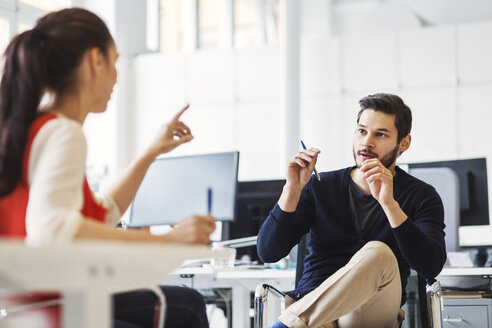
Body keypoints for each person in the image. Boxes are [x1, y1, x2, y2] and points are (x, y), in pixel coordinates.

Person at [0, 8, 215, 328]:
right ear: (94, 60)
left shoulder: (33, 129)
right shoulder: (64, 133)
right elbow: (54, 230)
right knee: (186, 308)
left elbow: (97, 214)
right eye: (114, 61)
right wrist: (167, 242)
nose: (117, 75)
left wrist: (150, 153)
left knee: (186, 304)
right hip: (56, 314)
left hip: (30, 310)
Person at [257, 93, 446, 328]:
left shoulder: (421, 196)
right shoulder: (320, 186)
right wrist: (292, 190)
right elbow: (268, 252)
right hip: (317, 314)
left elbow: (430, 266)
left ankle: (288, 325)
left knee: (379, 253)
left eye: (380, 134)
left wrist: (389, 204)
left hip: (371, 310)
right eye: (362, 131)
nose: (366, 143)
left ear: (404, 143)